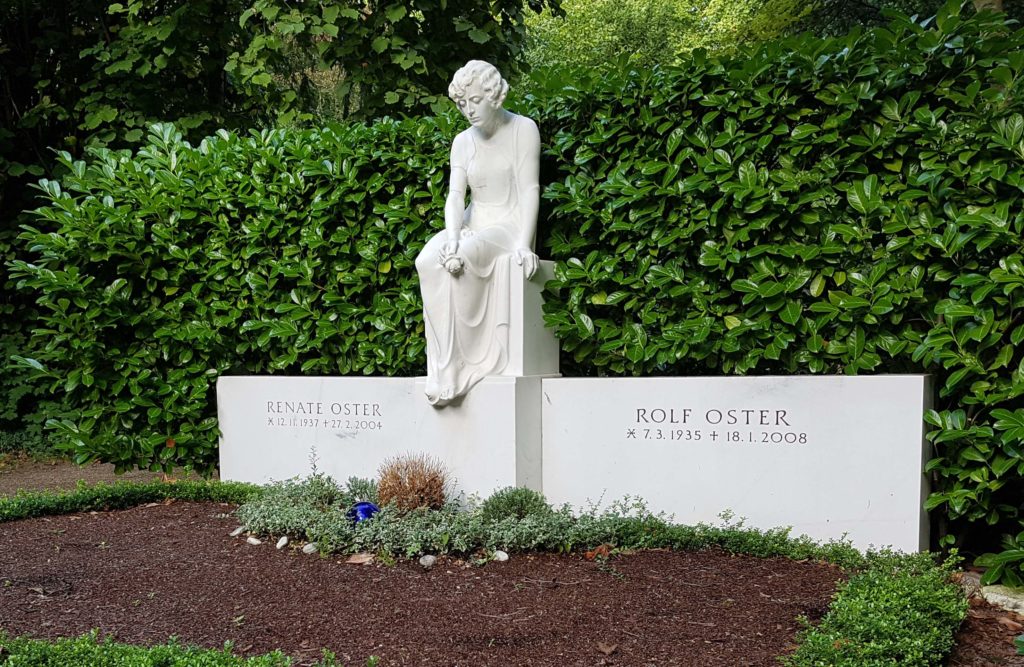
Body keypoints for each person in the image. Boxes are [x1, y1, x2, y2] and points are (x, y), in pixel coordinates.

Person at [415, 60, 540, 406]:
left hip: (508, 223)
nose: (468, 110)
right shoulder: (462, 142)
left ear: (493, 96)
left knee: (463, 262)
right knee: (427, 260)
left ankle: (462, 366)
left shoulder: (523, 130)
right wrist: (452, 236)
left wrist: (523, 244)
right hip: (472, 222)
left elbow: (530, 189)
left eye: (475, 101)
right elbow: (456, 196)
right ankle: (442, 365)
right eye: (462, 104)